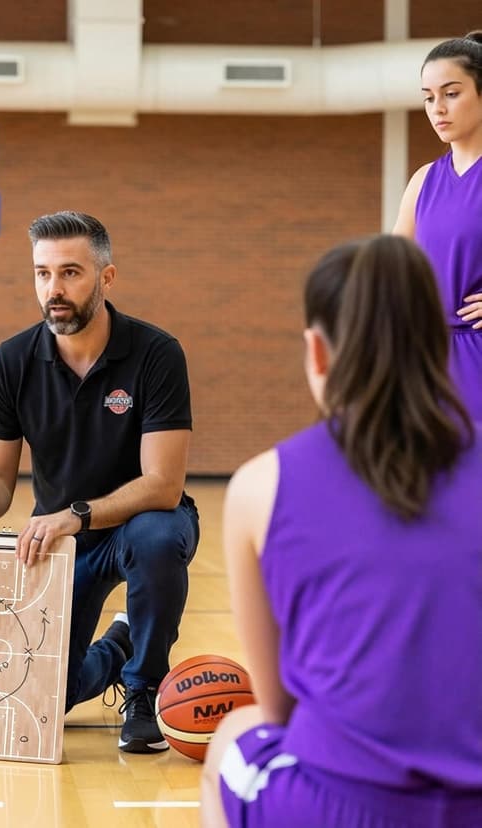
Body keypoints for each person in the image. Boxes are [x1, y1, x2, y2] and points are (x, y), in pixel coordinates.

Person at [200, 235, 482, 828]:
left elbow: (277, 709)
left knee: (236, 731)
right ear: (437, 345)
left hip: (343, 806)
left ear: (317, 352)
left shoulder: (260, 485)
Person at [0, 210, 200, 754]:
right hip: (66, 542)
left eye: (70, 273)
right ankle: (117, 650)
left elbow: (163, 484)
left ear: (106, 278)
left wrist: (76, 513)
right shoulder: (10, 362)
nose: (53, 289)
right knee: (38, 695)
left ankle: (143, 690)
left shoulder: (156, 354)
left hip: (143, 522)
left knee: (156, 537)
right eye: (42, 274)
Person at [394, 31, 482, 420]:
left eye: (451, 93)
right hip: (425, 357)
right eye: (429, 97)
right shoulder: (422, 180)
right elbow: (392, 275)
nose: (437, 108)